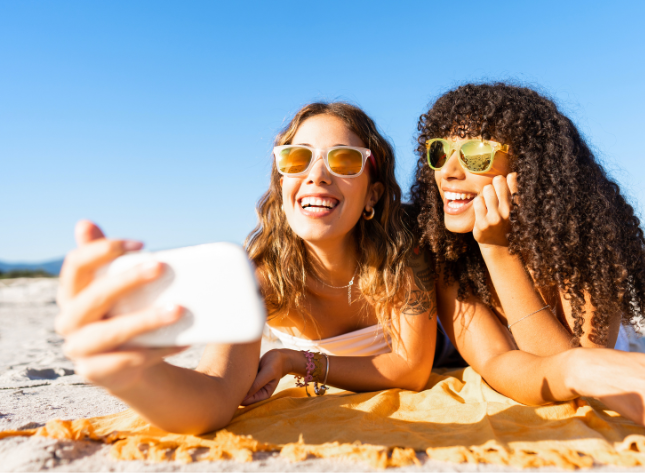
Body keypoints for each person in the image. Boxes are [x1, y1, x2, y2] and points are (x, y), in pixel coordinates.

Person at [54, 102, 437, 435]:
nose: (317, 175)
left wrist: (295, 360)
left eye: (344, 160)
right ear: (282, 183)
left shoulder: (402, 254)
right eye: (296, 158)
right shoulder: (261, 280)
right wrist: (136, 378)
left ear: (372, 192)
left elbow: (411, 369)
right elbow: (215, 391)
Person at [410, 82, 645, 441]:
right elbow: (499, 363)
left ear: (527, 167)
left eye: (475, 153)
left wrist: (499, 250)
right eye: (439, 151)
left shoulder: (586, 237)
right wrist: (493, 249)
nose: (447, 171)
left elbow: (585, 366)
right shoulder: (448, 252)